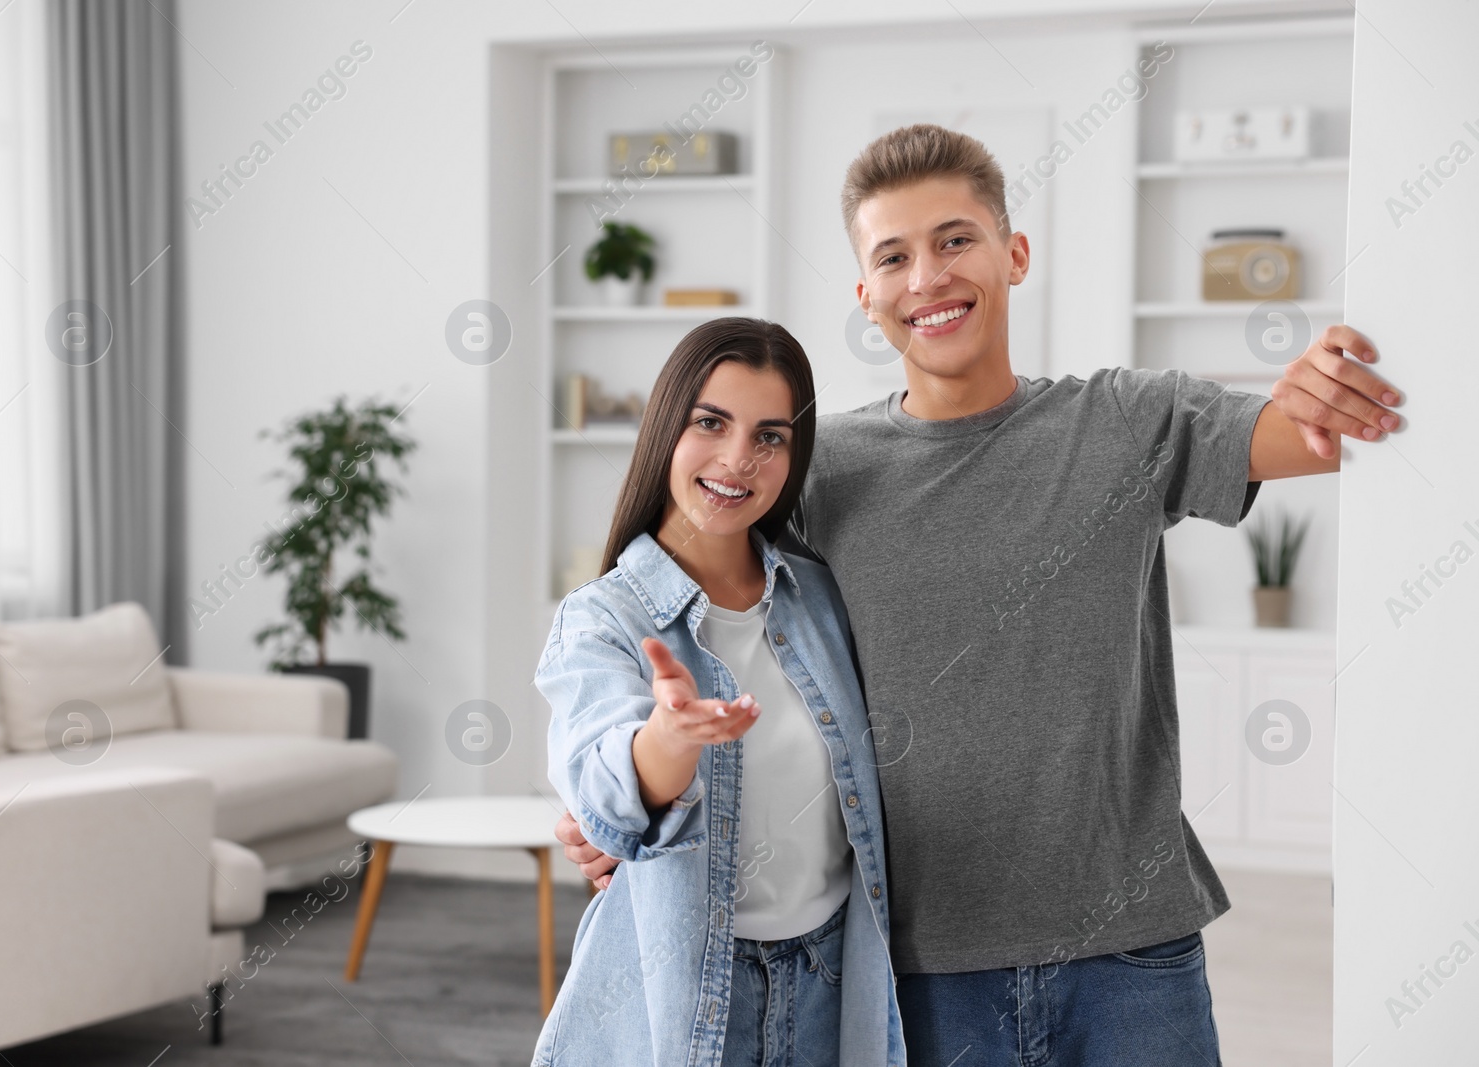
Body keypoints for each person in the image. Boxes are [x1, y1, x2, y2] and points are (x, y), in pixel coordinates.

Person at [556, 123, 1403, 1065]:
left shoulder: (1127, 420)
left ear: (1015, 254)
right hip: (917, 971)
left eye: (955, 239)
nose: (928, 277)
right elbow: (701, 615)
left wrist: (1322, 387)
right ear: (866, 295)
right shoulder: (813, 469)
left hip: (1130, 956)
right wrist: (617, 795)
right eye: (894, 256)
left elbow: (1304, 434)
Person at [532, 317, 907, 1066]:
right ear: (668, 426)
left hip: (831, 982)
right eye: (712, 423)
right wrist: (668, 740)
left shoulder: (821, 600)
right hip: (688, 993)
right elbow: (604, 789)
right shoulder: (603, 617)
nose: (739, 460)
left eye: (770, 435)